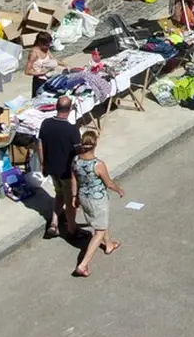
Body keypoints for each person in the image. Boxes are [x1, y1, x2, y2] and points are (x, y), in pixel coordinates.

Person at [69, 130, 125, 278]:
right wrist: (119, 190)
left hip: (83, 197)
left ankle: (109, 245)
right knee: (98, 231)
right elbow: (109, 183)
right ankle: (83, 265)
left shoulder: (75, 160)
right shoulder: (98, 164)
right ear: (95, 145)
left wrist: (74, 196)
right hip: (97, 200)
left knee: (101, 223)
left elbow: (74, 180)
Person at [37, 96, 81, 239]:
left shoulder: (46, 124)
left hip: (52, 169)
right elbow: (78, 153)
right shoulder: (72, 130)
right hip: (67, 172)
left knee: (59, 195)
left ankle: (54, 223)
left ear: (56, 107)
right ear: (69, 109)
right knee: (70, 201)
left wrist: (43, 164)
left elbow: (40, 145)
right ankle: (72, 229)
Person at [25, 31, 59, 97]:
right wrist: (42, 73)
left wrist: (66, 65)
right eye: (47, 44)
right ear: (40, 43)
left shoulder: (45, 49)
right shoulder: (33, 54)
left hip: (48, 79)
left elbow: (54, 60)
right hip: (39, 81)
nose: (48, 46)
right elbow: (27, 71)